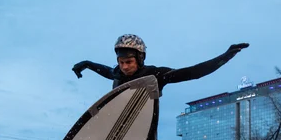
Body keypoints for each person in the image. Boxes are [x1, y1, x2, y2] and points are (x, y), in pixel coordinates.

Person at [72, 34, 249, 95]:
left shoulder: (155, 75)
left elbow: (193, 72)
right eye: (121, 62)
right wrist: (87, 64)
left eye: (129, 62)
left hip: (143, 133)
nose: (125, 67)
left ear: (140, 59)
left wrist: (224, 57)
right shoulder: (117, 73)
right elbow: (105, 70)